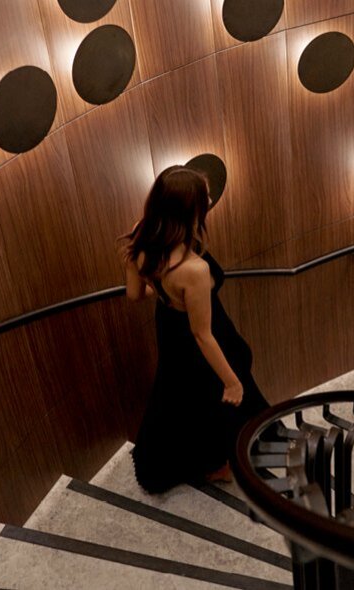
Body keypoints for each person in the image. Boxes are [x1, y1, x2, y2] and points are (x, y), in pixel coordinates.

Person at [120, 165, 269, 494]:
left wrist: (164, 293)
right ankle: (217, 463)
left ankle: (207, 460)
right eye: (205, 198)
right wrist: (232, 382)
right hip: (201, 335)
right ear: (189, 209)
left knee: (181, 396)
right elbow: (203, 335)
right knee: (218, 397)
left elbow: (134, 294)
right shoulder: (194, 269)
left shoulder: (141, 235)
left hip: (169, 326)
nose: (211, 199)